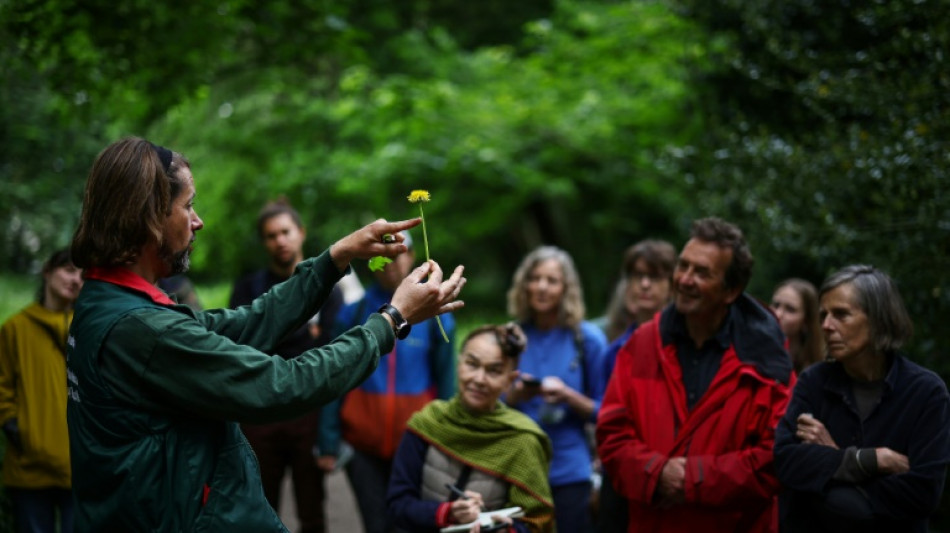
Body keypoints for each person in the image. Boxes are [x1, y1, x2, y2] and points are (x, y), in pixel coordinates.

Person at [65, 137, 466, 531]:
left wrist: (335, 258)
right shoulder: (141, 329)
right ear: (149, 216)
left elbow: (245, 324)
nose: (198, 220)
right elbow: (281, 385)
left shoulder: (109, 302)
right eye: (187, 206)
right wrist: (392, 320)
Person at [596, 217, 793, 533]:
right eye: (683, 266)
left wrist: (693, 479)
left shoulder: (766, 361)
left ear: (731, 291)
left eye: (702, 272)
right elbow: (611, 434)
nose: (685, 279)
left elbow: (776, 458)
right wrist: (656, 473)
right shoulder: (643, 344)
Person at [773, 265, 950, 532]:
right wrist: (870, 460)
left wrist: (836, 461)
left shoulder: (925, 392)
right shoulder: (813, 382)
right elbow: (785, 462)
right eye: (823, 315)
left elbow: (923, 493)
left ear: (879, 319)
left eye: (841, 314)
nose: (826, 326)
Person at [317, 230, 457, 533]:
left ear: (413, 257)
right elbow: (334, 376)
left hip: (416, 441)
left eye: (400, 253)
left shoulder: (436, 315)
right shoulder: (353, 312)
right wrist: (328, 441)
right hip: (362, 445)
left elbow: (447, 380)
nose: (392, 262)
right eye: (384, 255)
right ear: (373, 261)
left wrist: (447, 440)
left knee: (411, 522)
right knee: (376, 524)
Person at [229, 199, 345, 533]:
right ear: (264, 242)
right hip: (261, 411)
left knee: (312, 508)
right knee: (261, 506)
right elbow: (239, 346)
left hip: (309, 411)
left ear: (301, 233)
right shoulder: (248, 289)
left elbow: (333, 350)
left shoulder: (328, 288)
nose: (279, 240)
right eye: (270, 235)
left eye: (285, 232)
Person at [386, 322, 556, 533]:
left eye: (494, 371)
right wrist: (448, 513)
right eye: (472, 364)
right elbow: (397, 504)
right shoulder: (428, 422)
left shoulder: (522, 440)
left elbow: (536, 520)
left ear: (509, 380)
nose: (479, 379)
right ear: (459, 364)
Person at [504, 245, 608, 533]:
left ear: (566, 288)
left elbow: (607, 412)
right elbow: (488, 405)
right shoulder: (511, 336)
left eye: (551, 280)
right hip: (519, 470)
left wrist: (567, 396)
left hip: (571, 472)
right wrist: (514, 395)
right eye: (535, 278)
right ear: (524, 285)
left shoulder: (586, 339)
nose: (541, 287)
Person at [595, 239, 675, 533]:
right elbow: (604, 419)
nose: (643, 284)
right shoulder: (614, 351)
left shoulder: (684, 347)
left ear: (671, 284)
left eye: (653, 277)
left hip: (671, 477)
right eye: (635, 276)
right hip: (619, 479)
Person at [0, 249, 82, 533]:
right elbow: (2, 385)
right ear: (47, 272)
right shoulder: (15, 329)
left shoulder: (87, 329)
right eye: (69, 270)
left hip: (80, 466)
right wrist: (13, 425)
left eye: (83, 275)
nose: (76, 279)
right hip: (29, 466)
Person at [770, 278, 823, 373]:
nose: (778, 314)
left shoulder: (815, 371)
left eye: (790, 309)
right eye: (776, 305)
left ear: (806, 321)